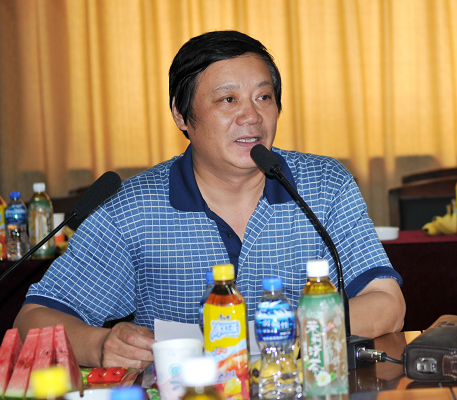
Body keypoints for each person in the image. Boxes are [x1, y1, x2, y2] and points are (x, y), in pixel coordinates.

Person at [14, 30, 405, 369]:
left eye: (264, 97)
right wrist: (100, 345)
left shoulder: (324, 185)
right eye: (228, 100)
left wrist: (281, 331)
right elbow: (32, 320)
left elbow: (387, 304)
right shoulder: (133, 208)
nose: (251, 117)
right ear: (181, 115)